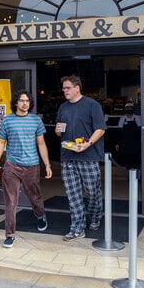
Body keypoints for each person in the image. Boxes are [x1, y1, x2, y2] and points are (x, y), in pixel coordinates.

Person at [0, 90, 53, 248]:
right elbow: (0, 143)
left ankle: (40, 215)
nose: (24, 103)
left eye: (27, 101)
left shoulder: (36, 121)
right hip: (12, 165)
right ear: (16, 103)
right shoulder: (7, 120)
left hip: (32, 165)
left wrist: (47, 164)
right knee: (11, 201)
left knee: (35, 196)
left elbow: (41, 144)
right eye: (21, 100)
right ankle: (10, 234)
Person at [55, 74, 106, 241]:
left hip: (89, 156)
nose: (65, 91)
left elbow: (100, 129)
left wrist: (88, 143)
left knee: (92, 192)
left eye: (68, 88)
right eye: (63, 89)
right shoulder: (63, 107)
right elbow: (59, 130)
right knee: (73, 194)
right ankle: (77, 228)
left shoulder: (92, 105)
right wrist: (58, 130)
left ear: (77, 88)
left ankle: (96, 215)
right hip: (67, 156)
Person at [115, 101, 142, 169]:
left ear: (133, 108)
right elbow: (119, 132)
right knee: (127, 161)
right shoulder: (122, 119)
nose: (129, 109)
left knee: (136, 161)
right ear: (125, 109)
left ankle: (137, 177)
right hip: (126, 144)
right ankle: (129, 176)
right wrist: (118, 143)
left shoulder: (137, 118)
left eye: (130, 107)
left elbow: (140, 131)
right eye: (127, 108)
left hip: (135, 143)